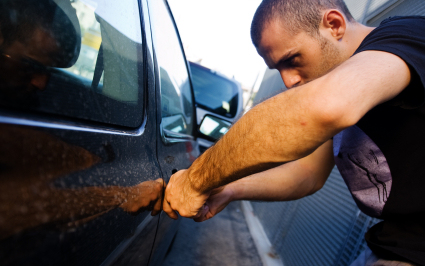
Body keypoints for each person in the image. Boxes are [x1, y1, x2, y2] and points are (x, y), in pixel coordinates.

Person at [163, 0, 425, 265]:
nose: (289, 82)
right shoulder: (344, 85)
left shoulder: (409, 36)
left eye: (292, 60)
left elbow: (325, 107)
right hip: (389, 243)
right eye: (278, 69)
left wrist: (196, 180)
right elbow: (307, 173)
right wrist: (229, 188)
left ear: (334, 25)